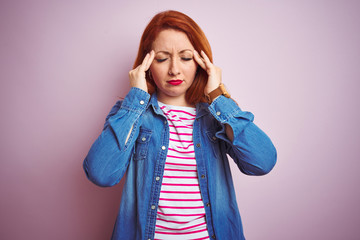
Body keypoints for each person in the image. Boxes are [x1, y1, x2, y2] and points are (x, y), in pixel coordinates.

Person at [83, 10, 277, 240]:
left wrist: (218, 97)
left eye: (185, 58)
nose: (174, 69)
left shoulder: (216, 116)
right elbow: (100, 174)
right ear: (146, 64)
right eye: (162, 58)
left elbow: (263, 162)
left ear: (201, 62)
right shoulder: (132, 114)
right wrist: (135, 99)